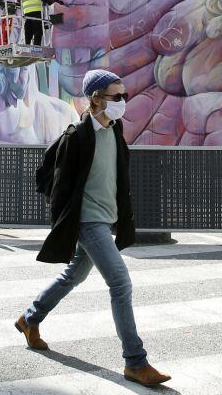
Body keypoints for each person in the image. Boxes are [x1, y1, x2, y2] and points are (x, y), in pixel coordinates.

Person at [18, 69, 170, 387]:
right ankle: (135, 362)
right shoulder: (78, 136)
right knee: (120, 284)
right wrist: (66, 220)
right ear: (96, 98)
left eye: (124, 95)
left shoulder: (115, 129)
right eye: (117, 96)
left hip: (106, 216)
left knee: (74, 275)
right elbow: (58, 182)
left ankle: (29, 319)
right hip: (88, 220)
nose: (123, 102)